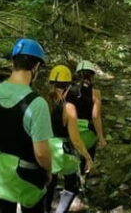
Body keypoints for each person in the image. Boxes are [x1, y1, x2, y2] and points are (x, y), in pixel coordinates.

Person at [0, 38, 53, 213]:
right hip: (27, 177)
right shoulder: (37, 103)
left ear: (13, 62)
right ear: (36, 67)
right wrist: (48, 172)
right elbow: (41, 154)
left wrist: (2, 129)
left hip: (0, 173)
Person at [43, 65, 93, 213]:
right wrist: (87, 157)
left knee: (48, 184)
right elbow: (75, 139)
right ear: (68, 86)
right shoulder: (68, 108)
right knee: (72, 185)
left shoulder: (41, 102)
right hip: (62, 151)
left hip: (44, 147)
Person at [66, 60, 107, 172]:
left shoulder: (68, 90)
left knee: (73, 161)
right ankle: (83, 181)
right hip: (88, 133)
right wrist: (101, 137)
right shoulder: (95, 93)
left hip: (71, 131)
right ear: (92, 75)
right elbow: (95, 117)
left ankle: (72, 182)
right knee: (88, 158)